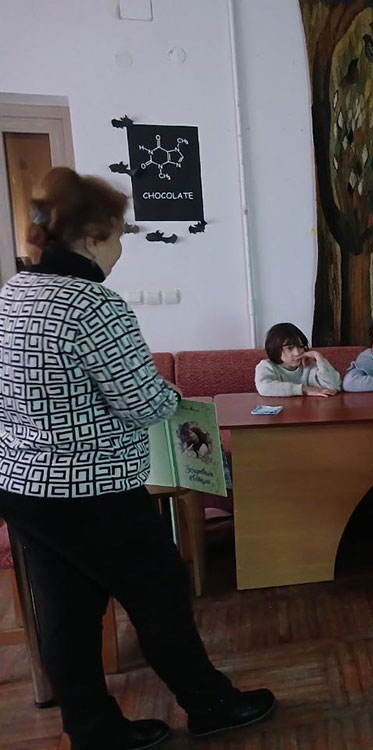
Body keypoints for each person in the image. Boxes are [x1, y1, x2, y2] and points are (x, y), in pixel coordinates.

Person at [0, 168, 274, 750]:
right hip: (91, 491)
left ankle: (92, 730)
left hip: (23, 486)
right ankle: (210, 705)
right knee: (159, 594)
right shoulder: (93, 303)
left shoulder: (13, 292)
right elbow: (143, 402)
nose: (122, 248)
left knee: (66, 613)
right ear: (92, 236)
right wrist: (171, 396)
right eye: (119, 234)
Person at [255, 322, 341, 397]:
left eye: (301, 346)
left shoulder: (310, 365)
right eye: (289, 348)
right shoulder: (266, 366)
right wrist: (304, 389)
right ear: (275, 349)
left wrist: (319, 357)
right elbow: (264, 388)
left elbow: (334, 387)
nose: (297, 353)